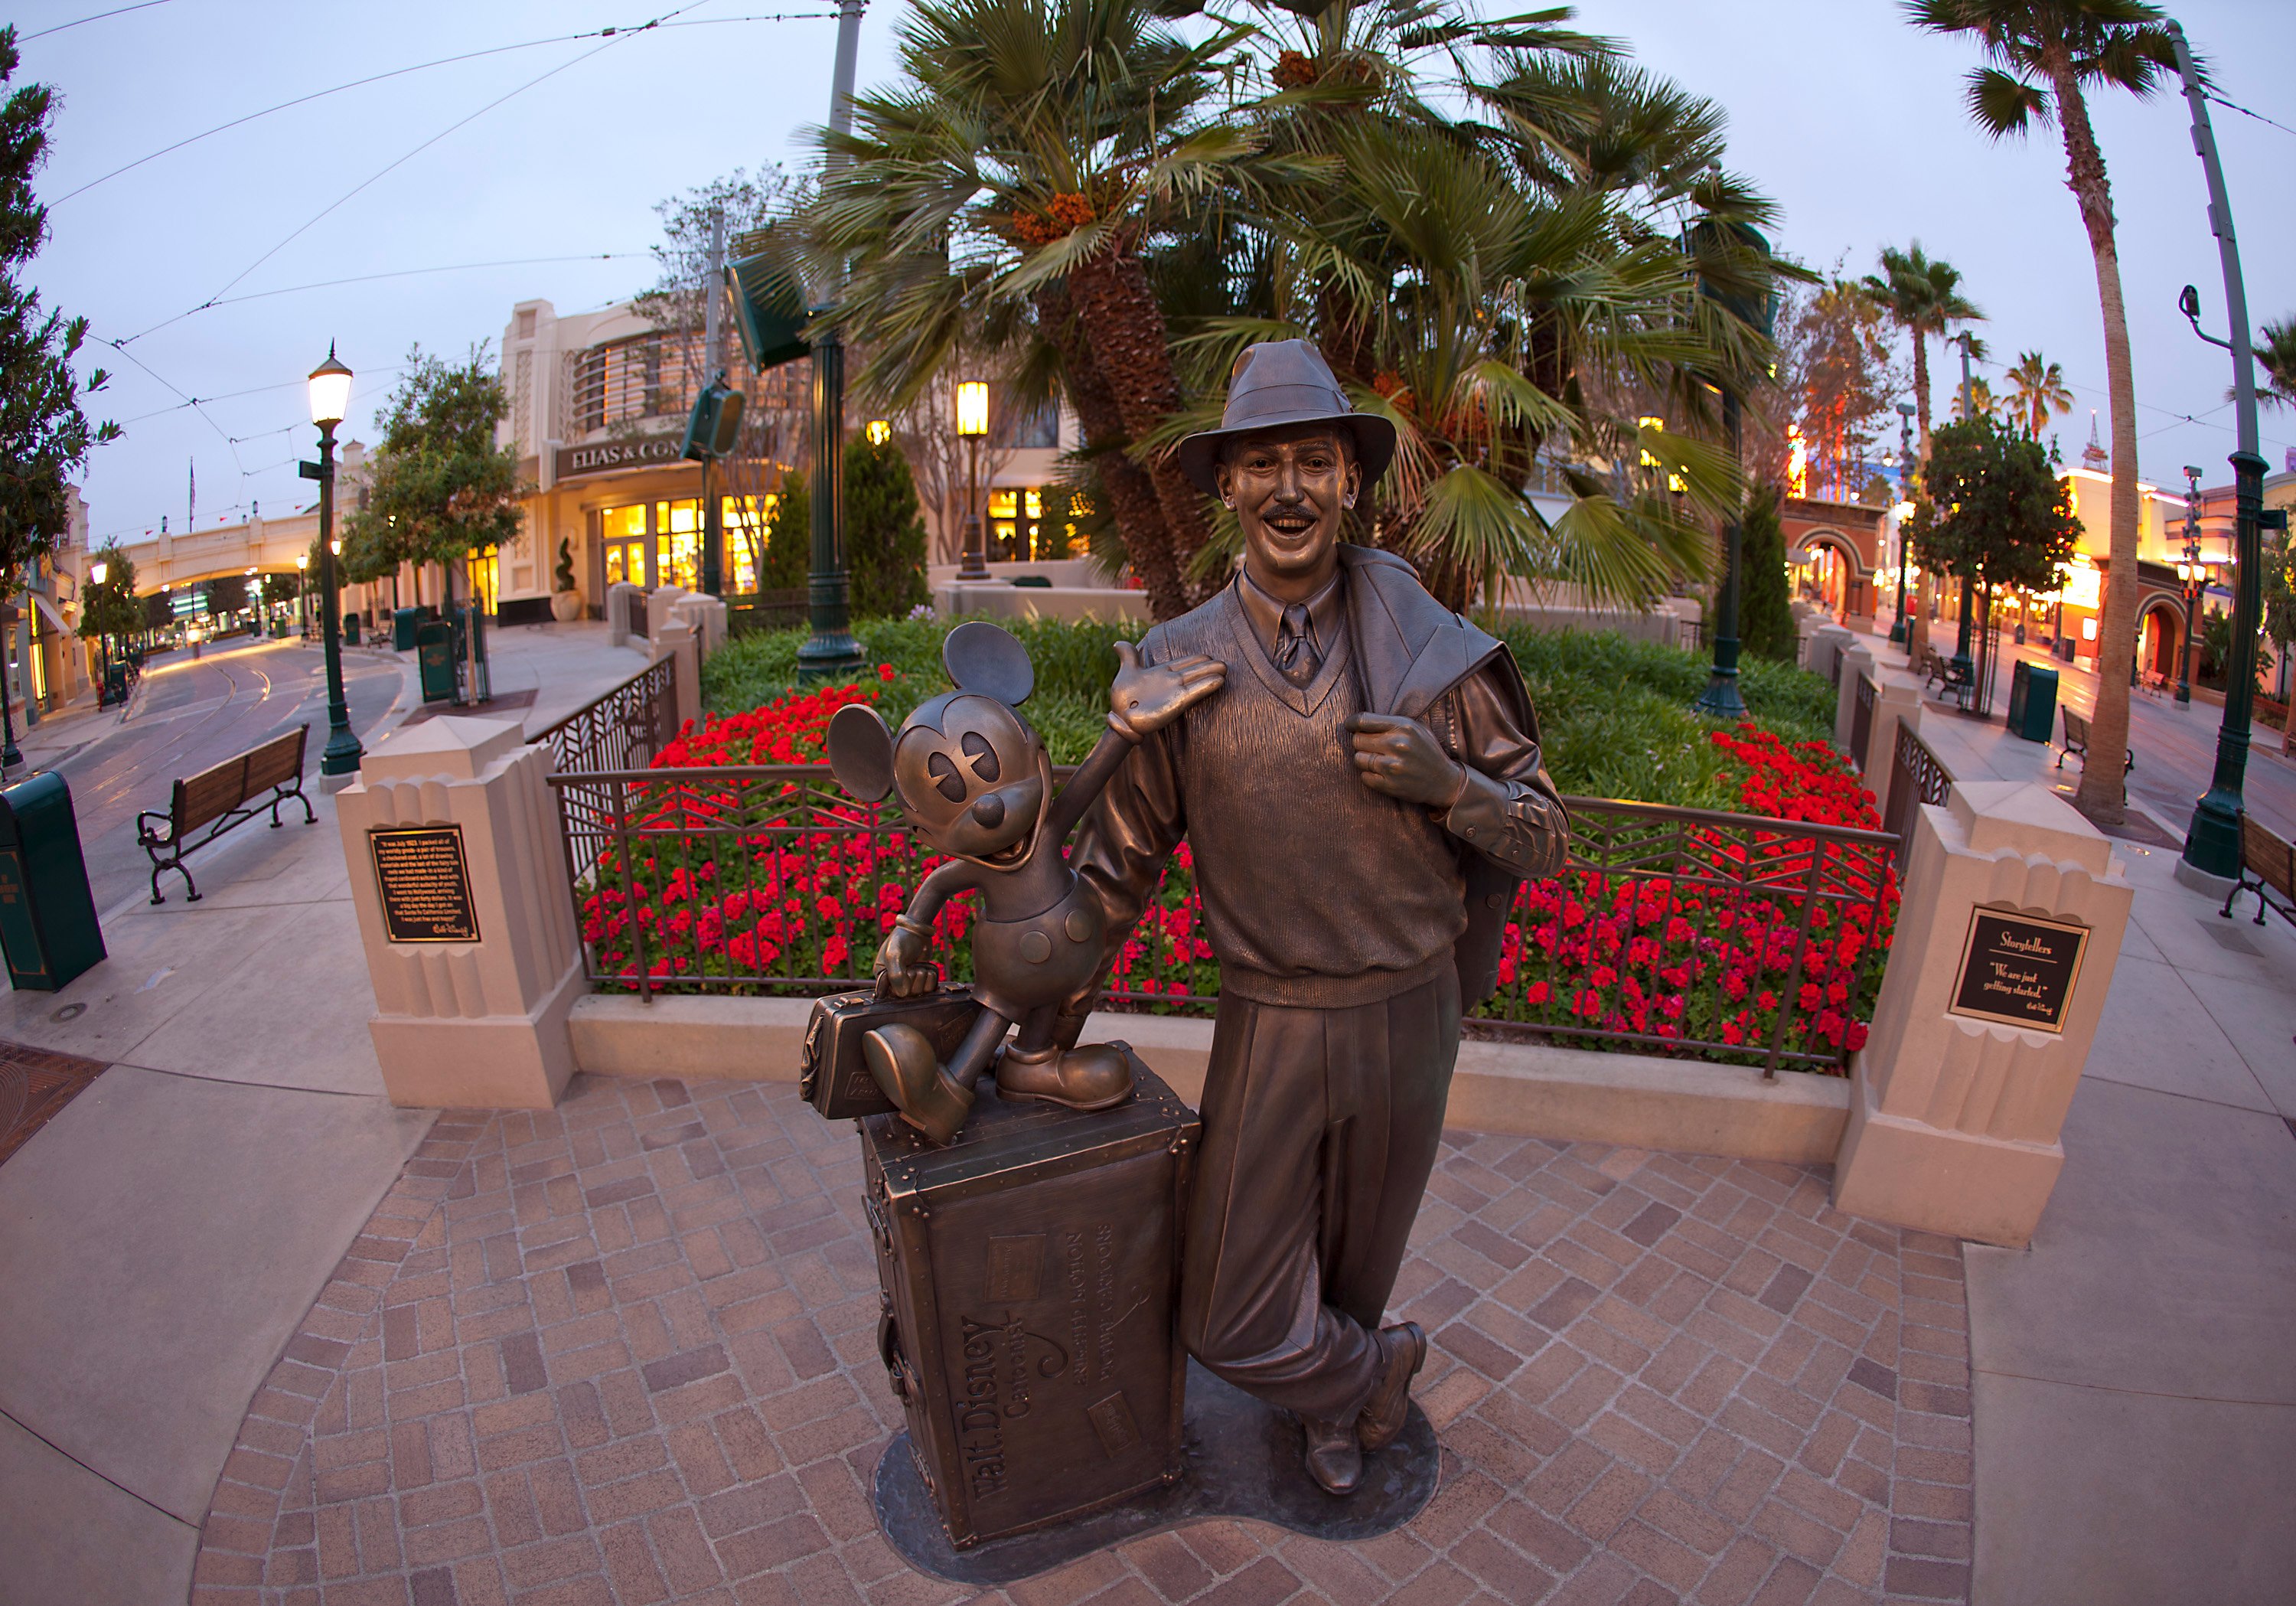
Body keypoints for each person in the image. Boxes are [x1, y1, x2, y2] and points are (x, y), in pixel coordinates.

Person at [1066, 340, 1570, 1495]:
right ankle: (1361, 1374)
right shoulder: (1178, 667)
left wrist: (1454, 784)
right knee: (1226, 1308)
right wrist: (1021, 1009)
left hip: (1408, 1010)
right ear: (1228, 488)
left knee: (1358, 1256)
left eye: (1313, 460)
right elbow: (1113, 876)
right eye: (1262, 465)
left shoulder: (1431, 653)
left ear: (1351, 480)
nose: (1288, 487)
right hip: (1274, 1017)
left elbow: (1544, 835)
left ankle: (1331, 1410)